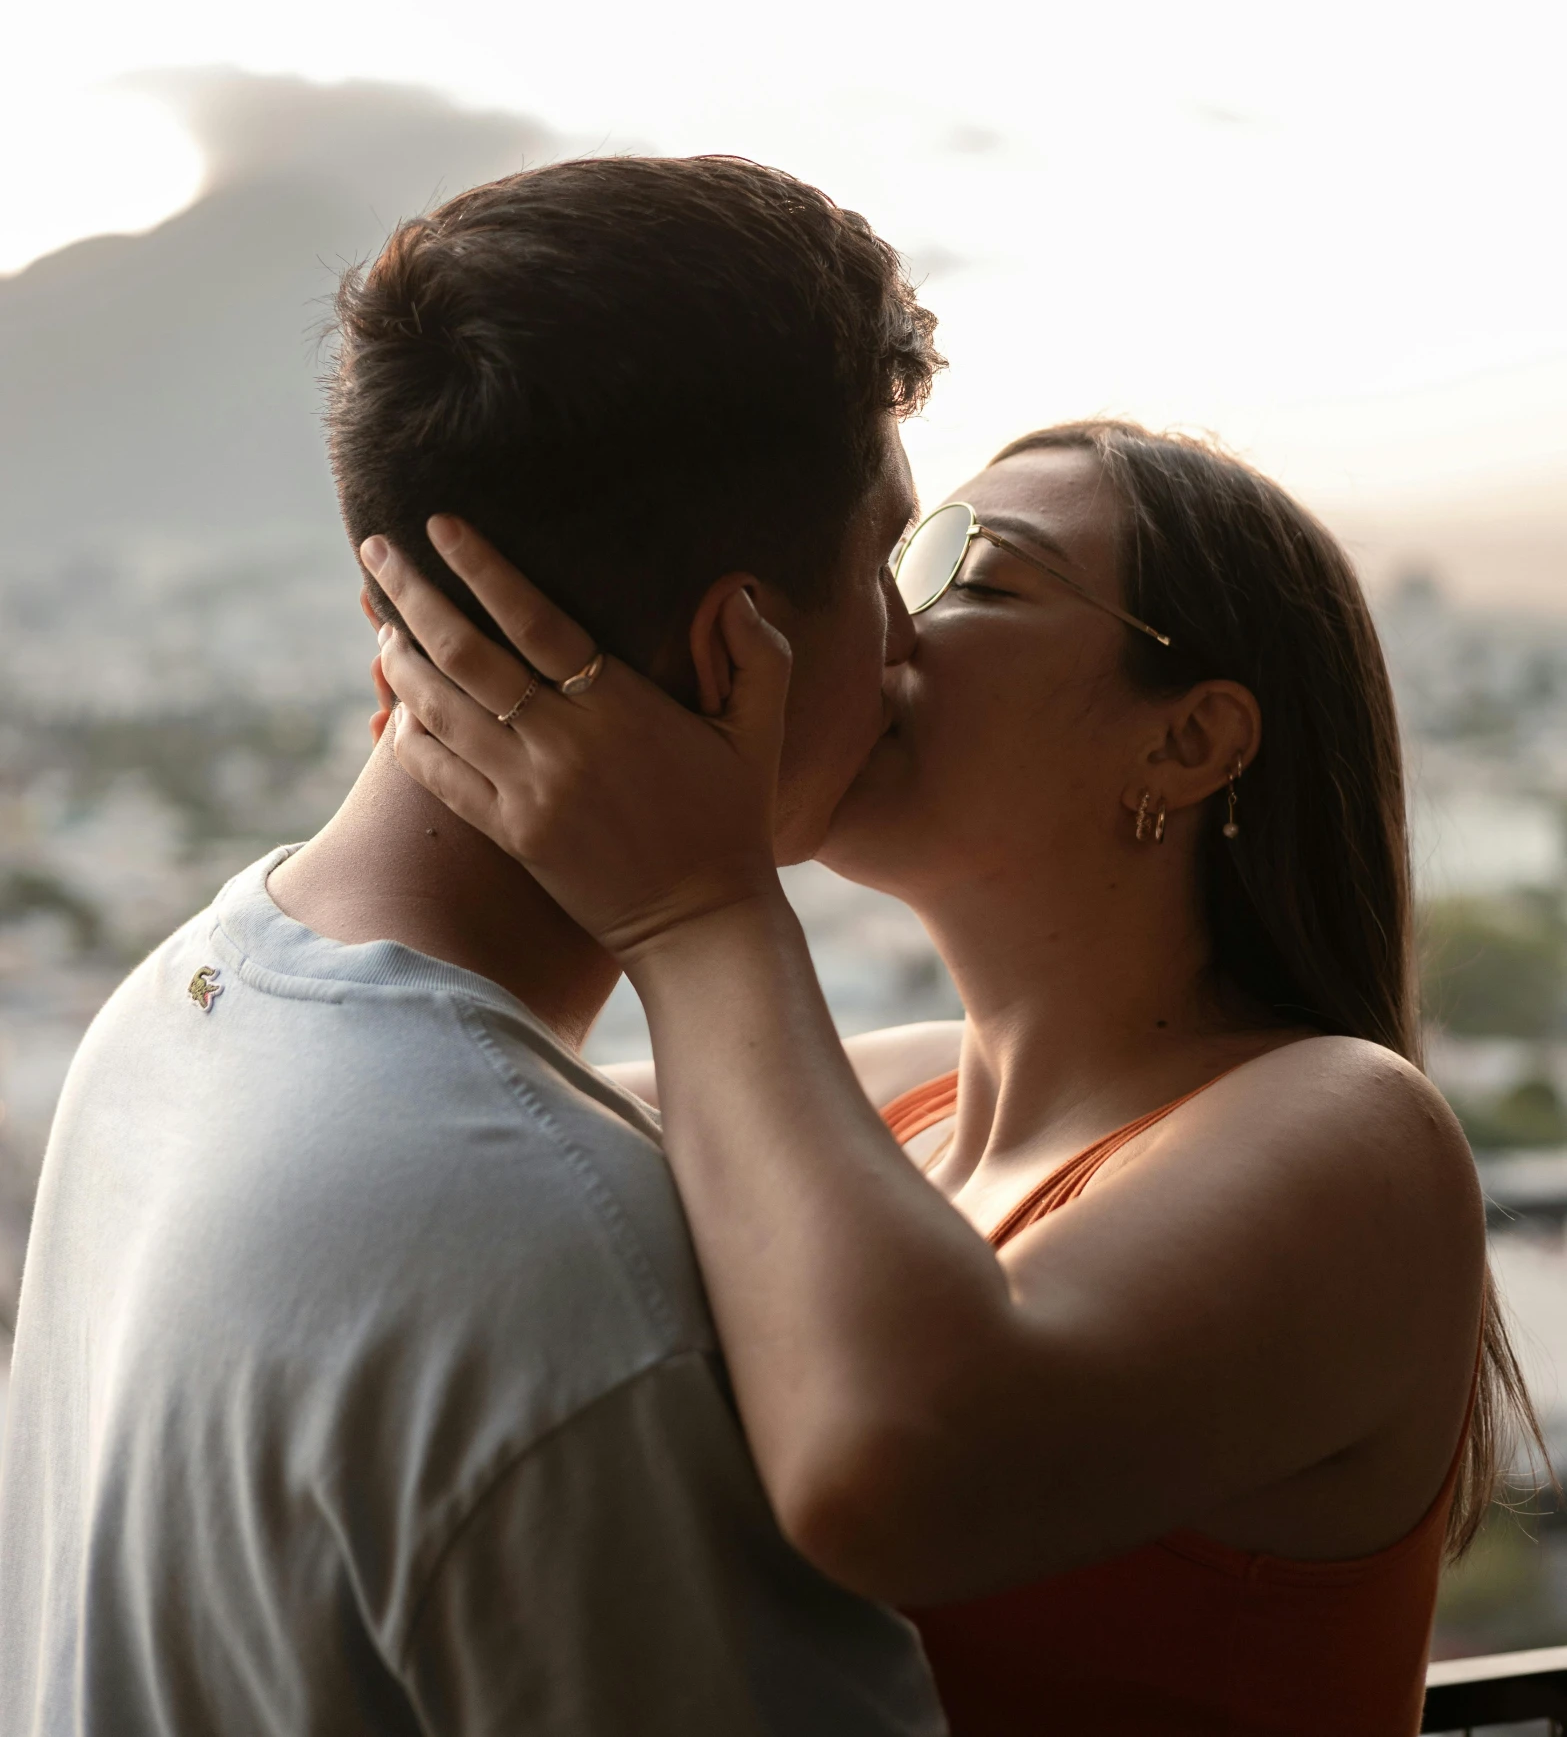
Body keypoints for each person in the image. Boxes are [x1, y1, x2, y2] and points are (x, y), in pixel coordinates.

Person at [364, 418, 1541, 1737]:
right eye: (890, 567)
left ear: (1188, 740)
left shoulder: (1351, 1130)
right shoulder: (888, 1101)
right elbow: (435, 1127)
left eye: (971, 577)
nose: (879, 629)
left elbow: (898, 1466)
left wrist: (701, 914)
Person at [0, 156, 951, 1737]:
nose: (913, 641)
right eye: (884, 566)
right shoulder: (559, 1258)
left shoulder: (176, 1005)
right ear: (736, 653)